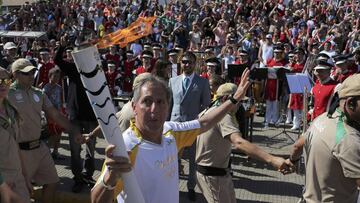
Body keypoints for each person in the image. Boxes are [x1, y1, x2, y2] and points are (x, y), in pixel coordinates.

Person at [91, 70, 251, 203]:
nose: (154, 109)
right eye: (147, 101)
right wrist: (110, 179)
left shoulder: (171, 132)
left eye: (160, 102)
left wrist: (234, 99)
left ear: (168, 107)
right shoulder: (126, 146)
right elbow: (95, 199)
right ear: (134, 107)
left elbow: (204, 123)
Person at [195, 83, 293, 203]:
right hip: (213, 176)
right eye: (239, 101)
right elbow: (239, 142)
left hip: (217, 173)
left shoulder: (208, 110)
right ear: (226, 99)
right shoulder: (223, 117)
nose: (240, 105)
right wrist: (272, 159)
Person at [8, 58, 84, 203]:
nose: (31, 76)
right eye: (26, 73)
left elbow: (55, 115)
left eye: (32, 72)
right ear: (15, 74)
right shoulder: (7, 94)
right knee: (21, 190)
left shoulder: (38, 93)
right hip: (19, 151)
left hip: (40, 147)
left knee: (52, 182)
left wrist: (74, 131)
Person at [290, 74, 360, 202]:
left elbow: (297, 146)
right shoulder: (349, 140)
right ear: (351, 103)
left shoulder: (322, 118)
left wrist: (292, 161)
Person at [54, 37, 98, 193]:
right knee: (75, 150)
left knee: (91, 149)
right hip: (75, 117)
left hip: (92, 116)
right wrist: (63, 45)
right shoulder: (73, 68)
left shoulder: (96, 67)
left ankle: (88, 175)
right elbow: (57, 60)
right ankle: (78, 178)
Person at [168, 51, 211, 201]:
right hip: (175, 125)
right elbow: (169, 105)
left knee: (193, 159)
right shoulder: (173, 81)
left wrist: (199, 122)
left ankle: (191, 186)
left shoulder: (202, 82)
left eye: (190, 62)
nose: (187, 64)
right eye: (184, 62)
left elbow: (206, 106)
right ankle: (172, 187)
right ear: (181, 63)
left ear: (195, 64)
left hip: (192, 126)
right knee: (172, 158)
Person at [0, 67, 30, 202]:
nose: (2, 84)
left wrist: (25, 177)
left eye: (6, 80)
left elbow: (15, 145)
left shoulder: (11, 110)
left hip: (17, 178)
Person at [43, 67, 65, 160]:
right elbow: (43, 103)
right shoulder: (46, 88)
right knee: (52, 135)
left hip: (58, 114)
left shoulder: (59, 88)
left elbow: (61, 101)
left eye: (58, 77)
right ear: (50, 76)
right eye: (55, 77)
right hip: (49, 115)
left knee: (59, 134)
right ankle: (47, 153)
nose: (57, 79)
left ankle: (55, 151)